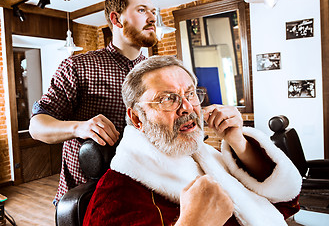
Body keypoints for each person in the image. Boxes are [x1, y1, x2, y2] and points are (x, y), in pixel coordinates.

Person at [83, 55, 302, 226]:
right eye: (167, 99)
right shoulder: (116, 196)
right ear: (137, 118)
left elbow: (286, 202)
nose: (187, 107)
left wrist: (238, 142)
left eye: (190, 94)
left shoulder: (205, 157)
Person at [29, 0, 157, 206]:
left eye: (154, 11)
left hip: (142, 193)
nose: (153, 17)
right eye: (142, 10)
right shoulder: (78, 66)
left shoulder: (156, 72)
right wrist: (79, 127)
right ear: (116, 20)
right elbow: (37, 127)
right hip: (87, 200)